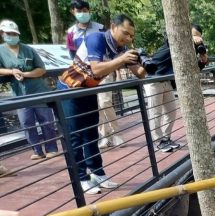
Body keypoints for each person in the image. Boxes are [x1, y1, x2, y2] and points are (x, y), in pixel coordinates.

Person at [58, 14, 146, 195]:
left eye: (131, 36)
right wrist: (122, 59)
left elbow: (140, 73)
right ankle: (81, 178)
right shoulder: (96, 38)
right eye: (125, 33)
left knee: (91, 134)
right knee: (75, 137)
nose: (128, 38)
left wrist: (149, 62)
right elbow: (96, 68)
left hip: (89, 90)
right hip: (69, 90)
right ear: (113, 27)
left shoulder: (121, 49)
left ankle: (98, 173)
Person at [65, 0, 123, 150]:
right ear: (73, 12)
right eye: (79, 11)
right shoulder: (71, 32)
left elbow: (113, 50)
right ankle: (104, 136)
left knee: (105, 102)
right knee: (96, 106)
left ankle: (116, 133)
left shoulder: (100, 28)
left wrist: (117, 71)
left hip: (103, 71)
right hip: (84, 75)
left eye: (85, 10)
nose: (82, 13)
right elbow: (72, 55)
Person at [0, 20, 59, 160]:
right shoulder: (1, 51)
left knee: (46, 120)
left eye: (14, 34)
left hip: (38, 89)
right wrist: (11, 71)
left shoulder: (28, 49)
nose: (12, 36)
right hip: (19, 92)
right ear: (2, 34)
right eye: (9, 33)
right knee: (26, 122)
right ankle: (37, 151)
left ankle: (51, 148)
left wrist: (25, 74)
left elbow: (41, 69)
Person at [144, 24, 208, 153]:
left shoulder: (190, 49)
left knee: (171, 111)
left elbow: (195, 67)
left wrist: (203, 57)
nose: (196, 39)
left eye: (198, 37)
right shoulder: (173, 41)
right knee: (155, 112)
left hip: (166, 81)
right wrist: (191, 39)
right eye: (193, 35)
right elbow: (174, 39)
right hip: (153, 79)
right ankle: (158, 141)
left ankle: (166, 138)